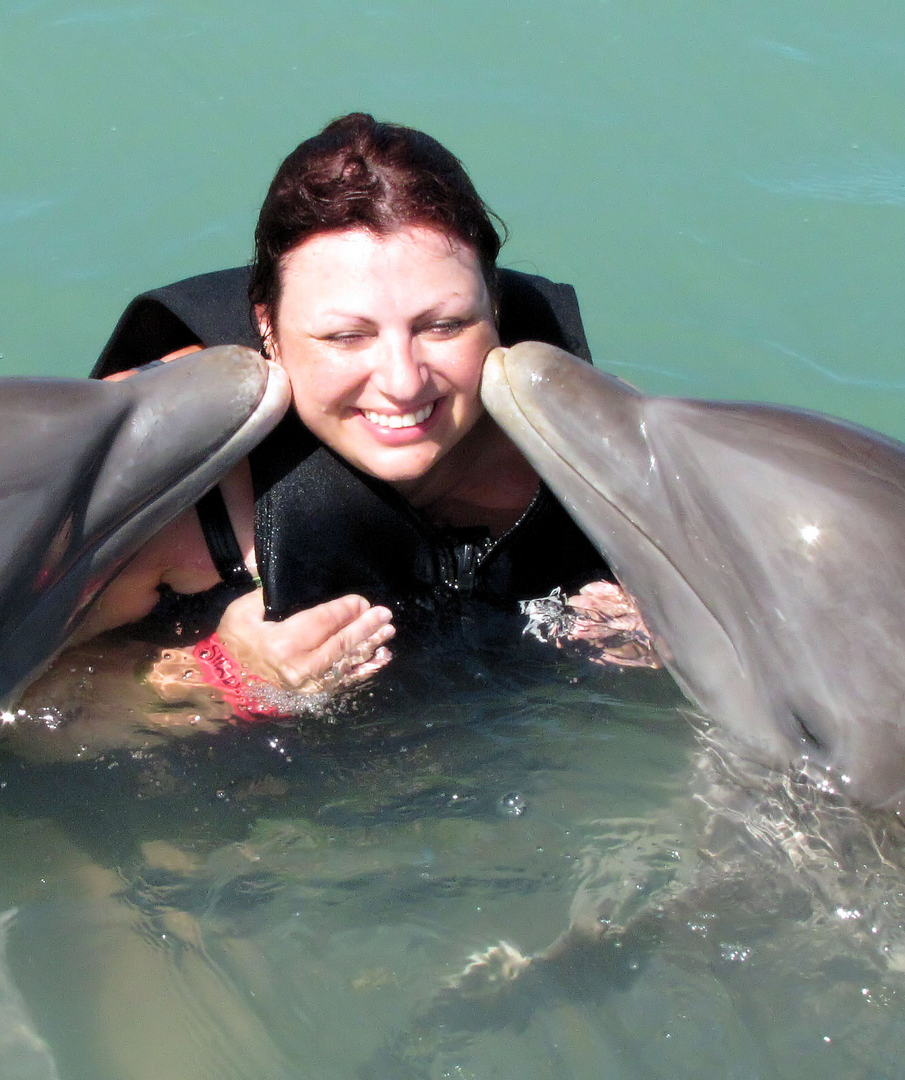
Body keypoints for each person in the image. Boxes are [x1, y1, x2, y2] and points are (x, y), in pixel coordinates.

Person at [44, 113, 652, 729]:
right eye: (345, 335)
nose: (402, 381)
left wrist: (655, 631)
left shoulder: (585, 443)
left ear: (495, 306)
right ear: (267, 328)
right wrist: (223, 674)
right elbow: (20, 719)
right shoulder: (174, 486)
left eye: (443, 326)